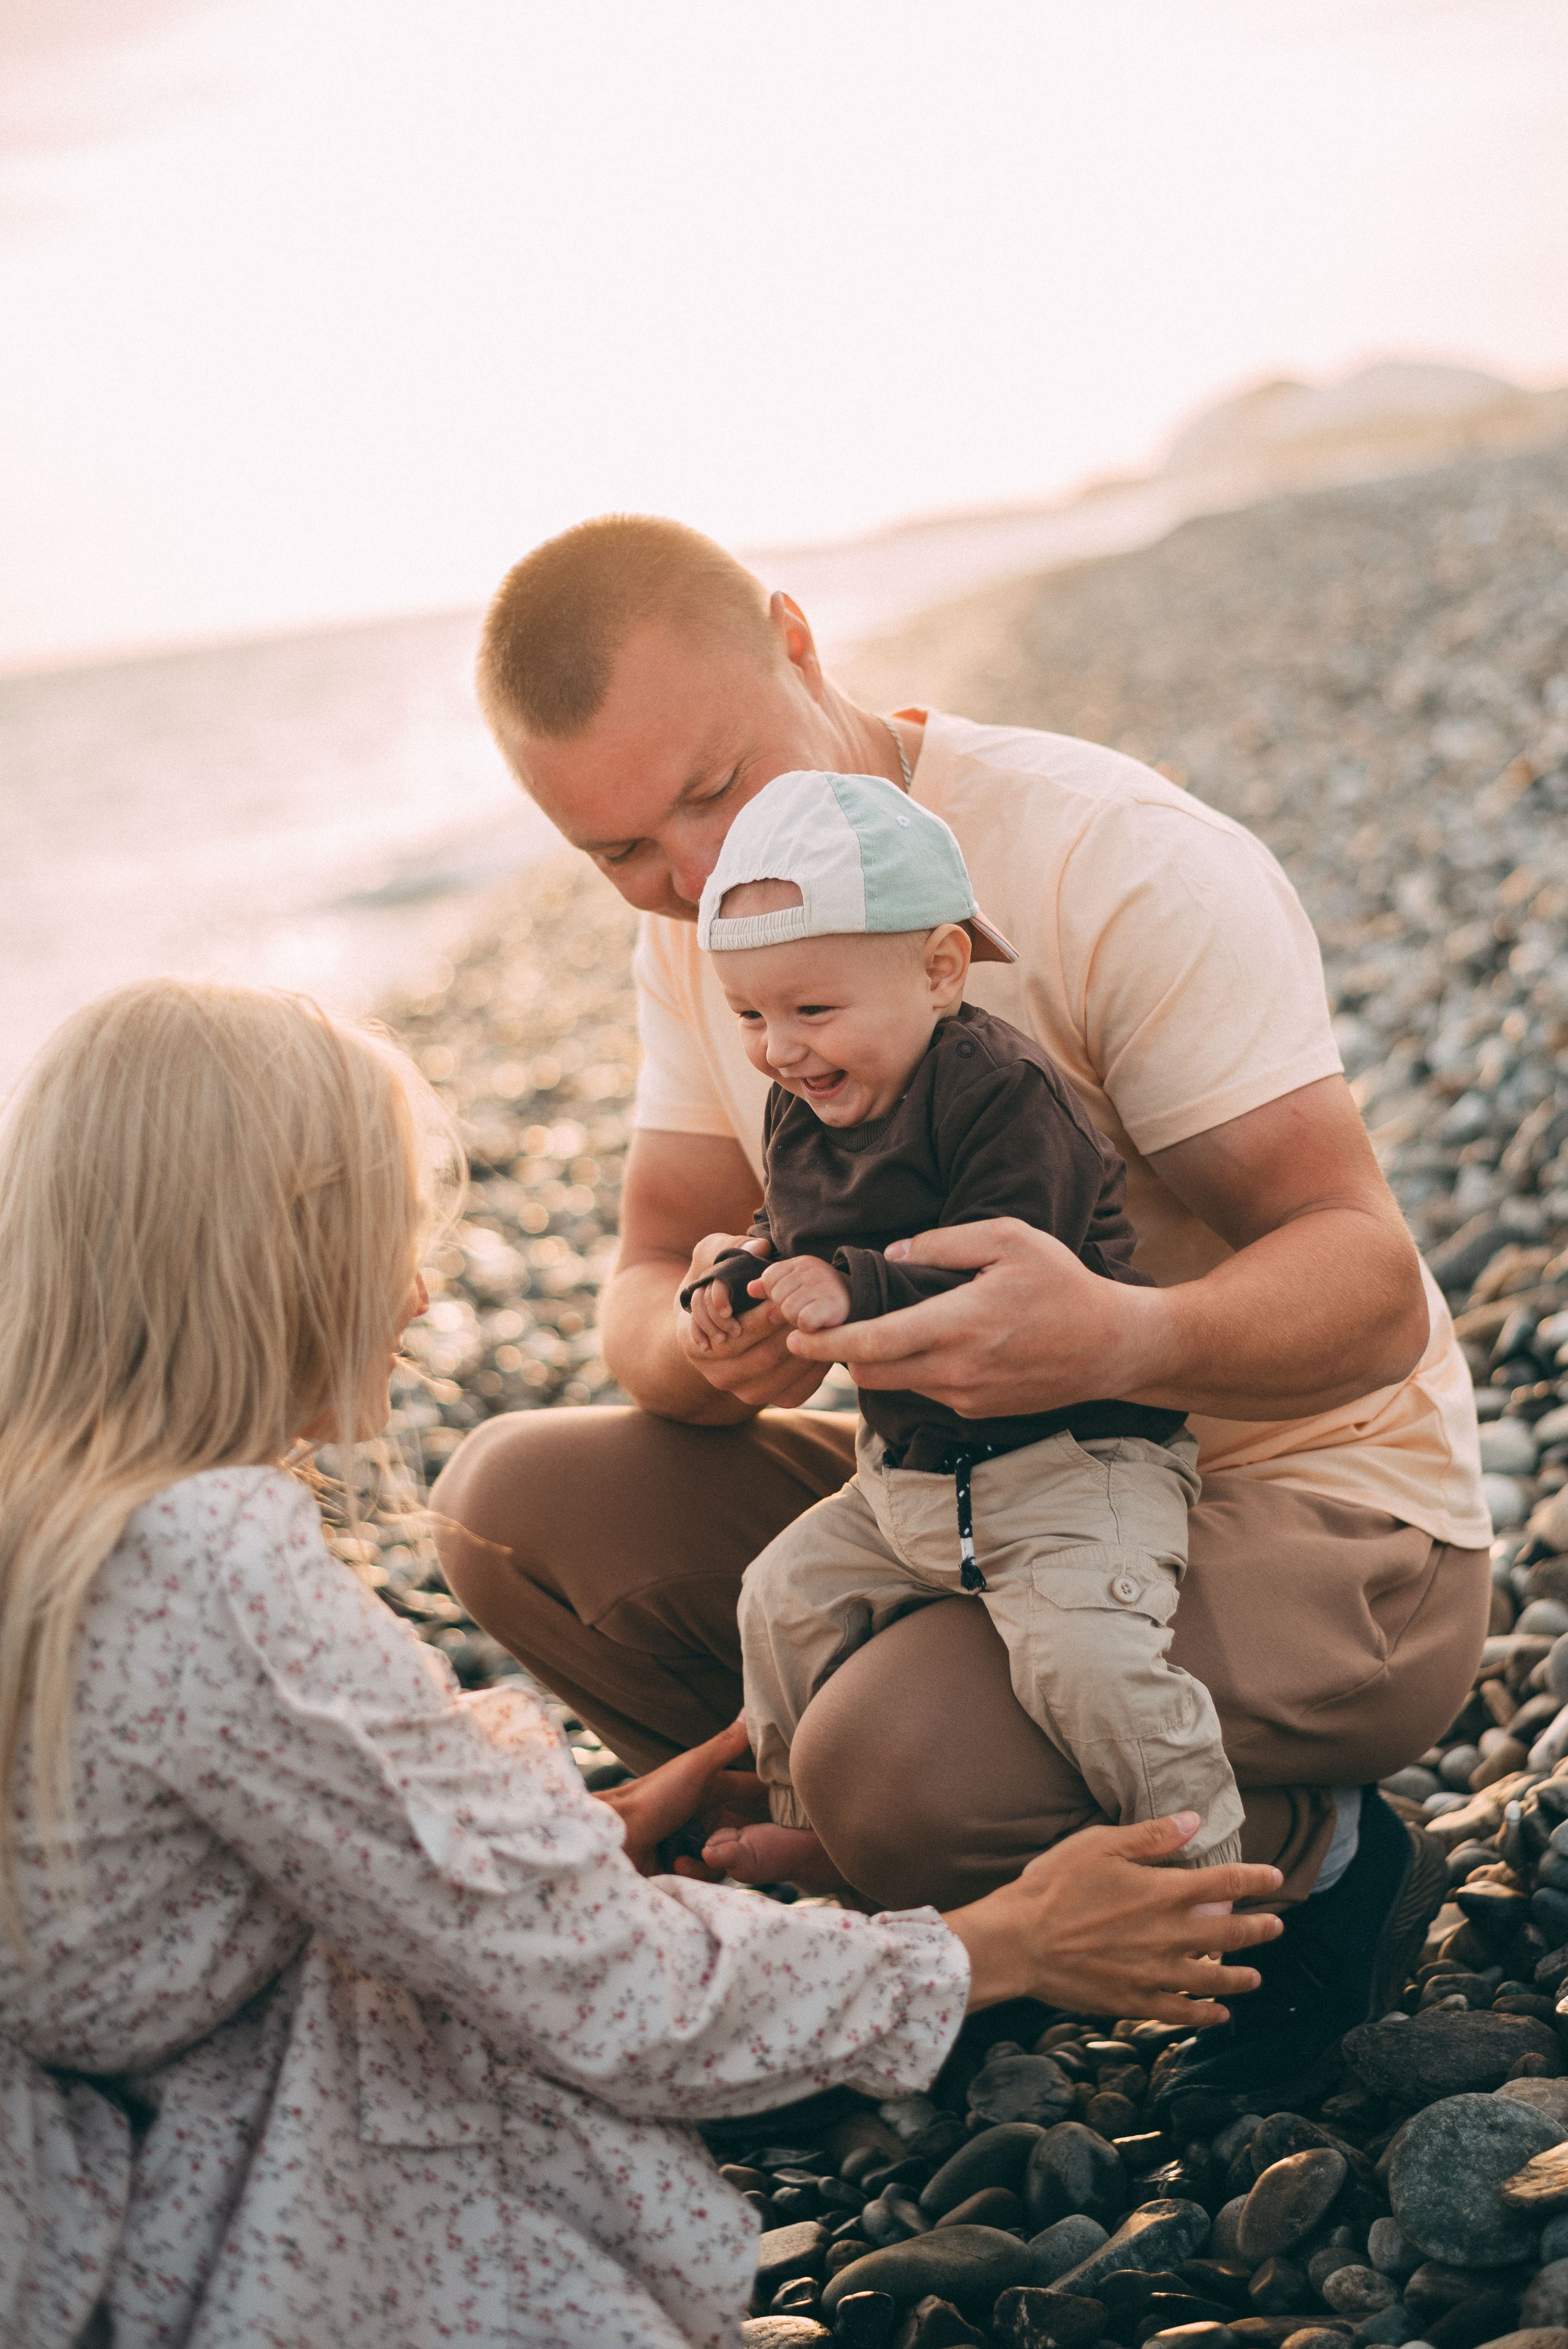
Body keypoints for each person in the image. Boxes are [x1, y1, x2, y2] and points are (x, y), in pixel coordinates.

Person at [0, 976, 1283, 2349]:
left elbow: (244, 1844)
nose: (423, 1293)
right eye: (386, 1238)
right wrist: (997, 1945)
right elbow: (592, 1982)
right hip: (118, 2226)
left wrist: (579, 1827)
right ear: (265, 1256)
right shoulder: (212, 1560)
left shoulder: (62, 1517)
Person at [434, 511, 1491, 2106]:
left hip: (1312, 1511)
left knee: (896, 1758)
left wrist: (1125, 1332)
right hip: (952, 1494)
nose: (700, 875)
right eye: (625, 853)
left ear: (799, 641)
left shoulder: (1106, 856)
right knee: (515, 1504)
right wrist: (722, 1345)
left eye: (713, 791)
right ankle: (913, 1898)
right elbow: (645, 1280)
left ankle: (1316, 1869)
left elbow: (1371, 1285)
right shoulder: (698, 935)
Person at [680, 766, 1243, 1891]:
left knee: (1085, 1659)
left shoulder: (999, 1091)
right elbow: (794, 1223)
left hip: (1070, 1465)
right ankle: (812, 1826)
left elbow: (1006, 1274)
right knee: (782, 1599)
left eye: (810, 1010)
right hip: (911, 1479)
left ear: (940, 970)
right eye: (749, 1015)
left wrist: (844, 1285)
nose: (777, 1048)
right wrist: (742, 1274)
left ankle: (1207, 1864)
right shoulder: (809, 1097)